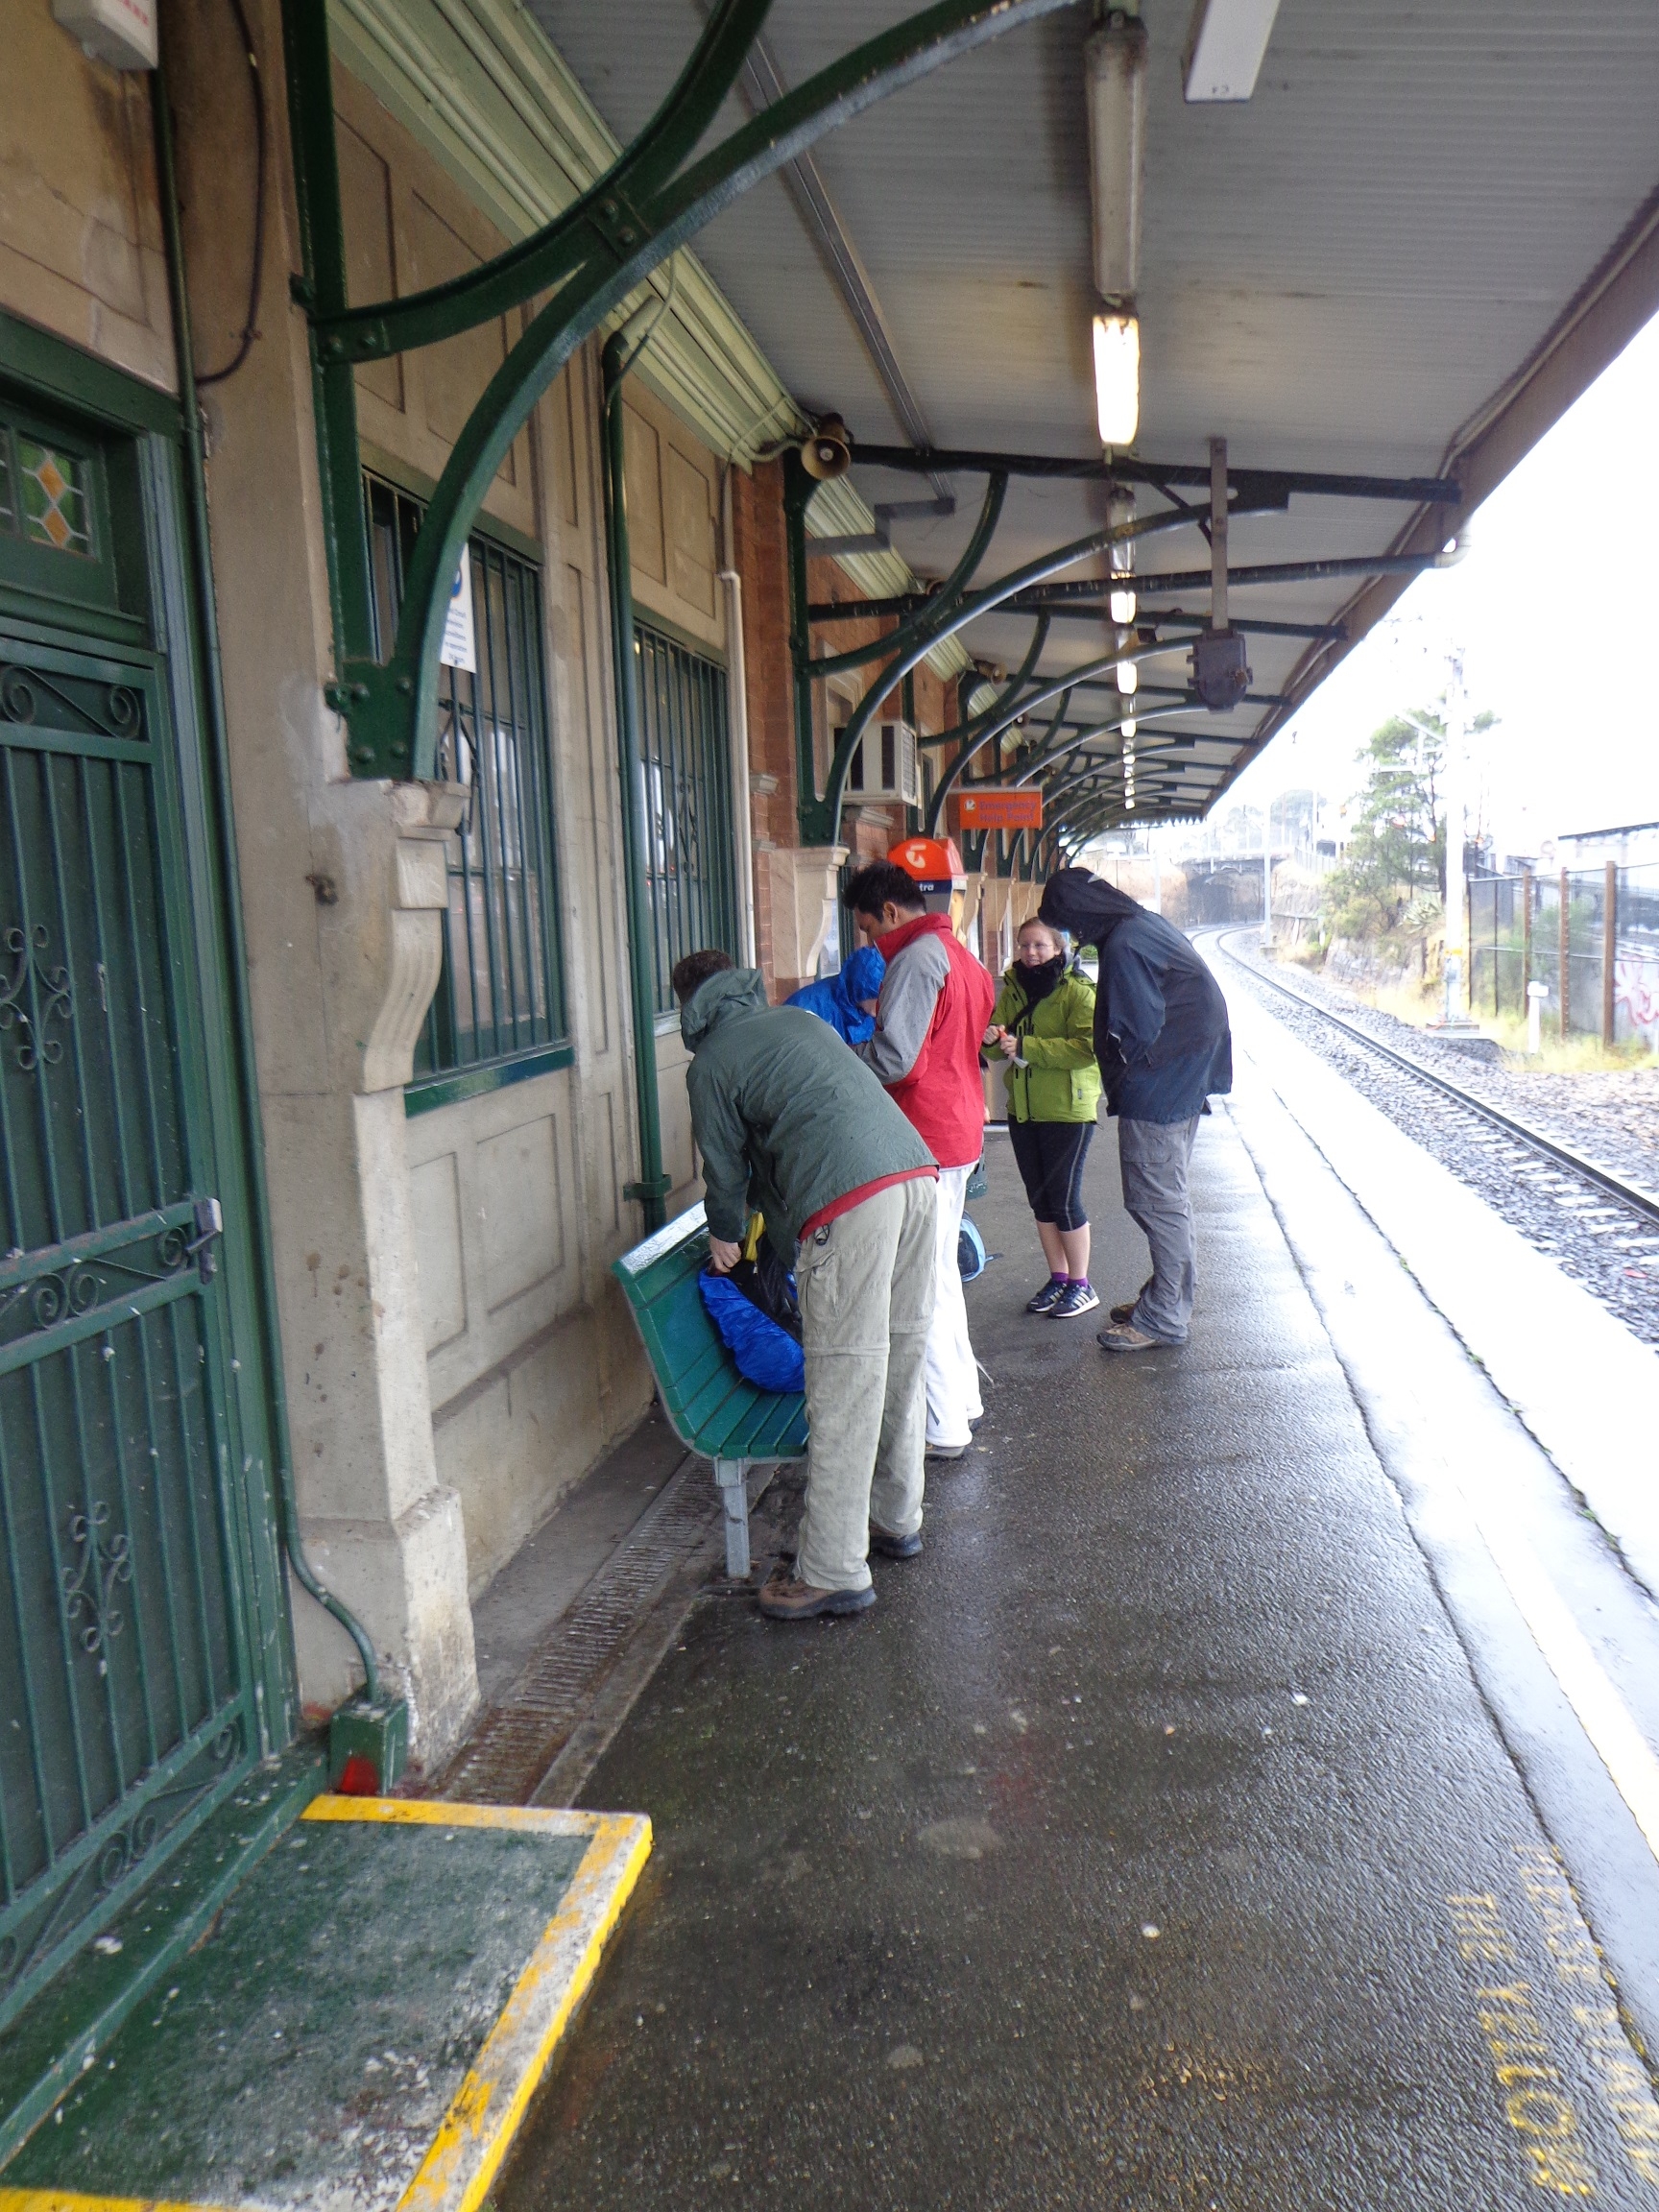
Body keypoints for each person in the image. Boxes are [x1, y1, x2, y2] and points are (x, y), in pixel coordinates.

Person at [672, 949, 938, 1621]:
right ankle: (896, 1518)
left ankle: (833, 1570)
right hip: (915, 1175)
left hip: (850, 1199)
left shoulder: (712, 1062)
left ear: (688, 1005)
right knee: (901, 1359)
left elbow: (724, 1168)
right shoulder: (796, 1023)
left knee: (845, 1380)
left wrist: (726, 1234)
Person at [1037, 868, 1232, 1353]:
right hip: (1186, 1071)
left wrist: (1120, 1075)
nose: (1072, 936)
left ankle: (1164, 1317)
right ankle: (1165, 1299)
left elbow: (1134, 1030)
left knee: (1155, 1201)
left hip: (1162, 1082)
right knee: (1167, 1198)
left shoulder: (1125, 944)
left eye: (1067, 924)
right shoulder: (1141, 924)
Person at [843, 860, 996, 1459]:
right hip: (959, 1129)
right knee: (940, 1277)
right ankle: (963, 1403)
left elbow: (896, 1060)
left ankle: (943, 1426)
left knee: (918, 1289)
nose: (869, 943)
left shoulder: (914, 959)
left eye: (867, 928)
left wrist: (839, 1056)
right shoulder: (963, 957)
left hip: (923, 1137)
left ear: (889, 911)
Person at [985, 919, 1103, 1318]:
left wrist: (1028, 1047)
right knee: (1040, 1199)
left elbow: (1087, 1048)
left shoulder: (1079, 991)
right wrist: (992, 1040)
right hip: (1024, 1109)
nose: (1030, 953)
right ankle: (1059, 1278)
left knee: (1064, 1198)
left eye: (1039, 945)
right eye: (1024, 945)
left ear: (1058, 948)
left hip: (1068, 1110)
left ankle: (1081, 1284)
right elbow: (999, 1046)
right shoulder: (1014, 989)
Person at [783, 943, 885, 1045]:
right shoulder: (808, 1005)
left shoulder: (864, 1011)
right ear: (863, 990)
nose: (882, 1002)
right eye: (879, 995)